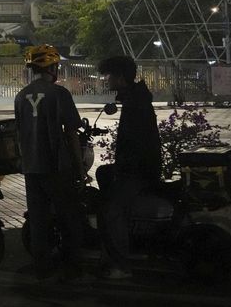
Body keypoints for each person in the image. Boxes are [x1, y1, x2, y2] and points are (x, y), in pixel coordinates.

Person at [13, 44, 84, 281]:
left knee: (38, 218)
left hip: (32, 167)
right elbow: (72, 132)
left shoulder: (21, 95)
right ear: (53, 67)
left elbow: (19, 132)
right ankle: (72, 265)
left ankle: (41, 266)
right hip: (57, 165)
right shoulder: (60, 94)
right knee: (68, 216)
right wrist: (80, 167)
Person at [95, 55, 161, 280]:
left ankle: (121, 265)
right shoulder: (135, 98)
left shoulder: (135, 103)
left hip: (139, 170)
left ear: (120, 77)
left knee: (113, 211)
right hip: (137, 166)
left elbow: (136, 143)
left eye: (109, 76)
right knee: (103, 174)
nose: (107, 80)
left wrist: (122, 170)